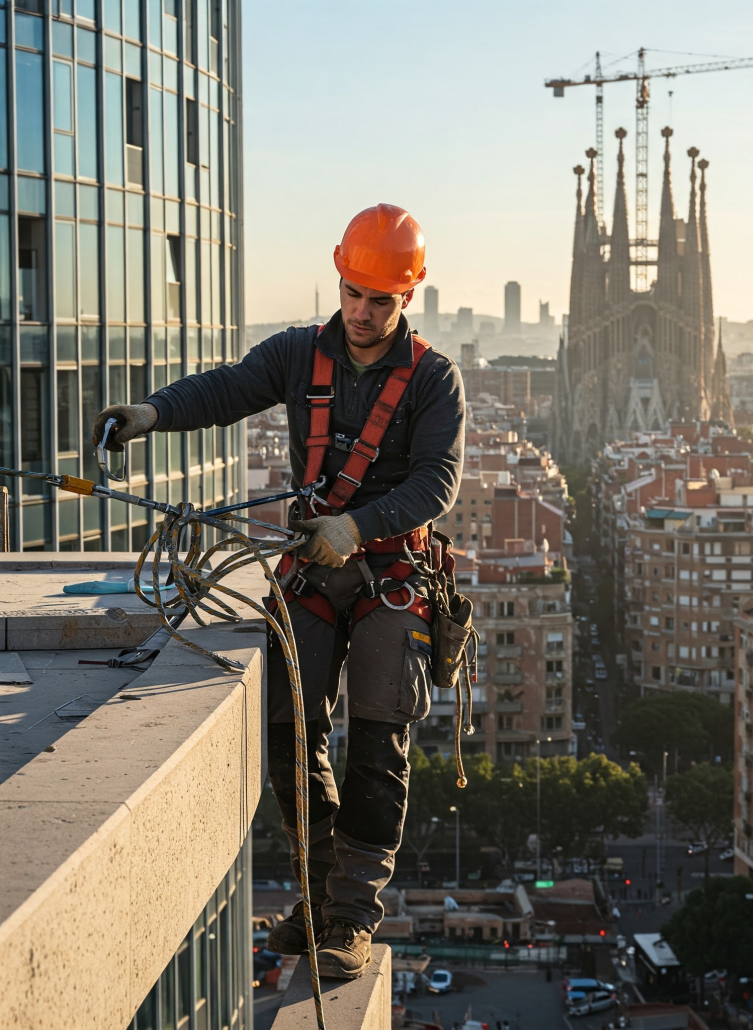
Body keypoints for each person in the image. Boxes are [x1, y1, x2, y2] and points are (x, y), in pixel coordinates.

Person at [91, 204, 465, 980]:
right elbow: (229, 390)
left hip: (392, 576)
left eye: (379, 300)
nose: (361, 313)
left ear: (408, 297)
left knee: (376, 745)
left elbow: (438, 481)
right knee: (292, 738)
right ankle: (320, 896)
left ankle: (351, 916)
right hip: (315, 571)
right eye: (352, 293)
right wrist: (152, 413)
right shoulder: (301, 354)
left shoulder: (434, 379)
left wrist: (358, 526)